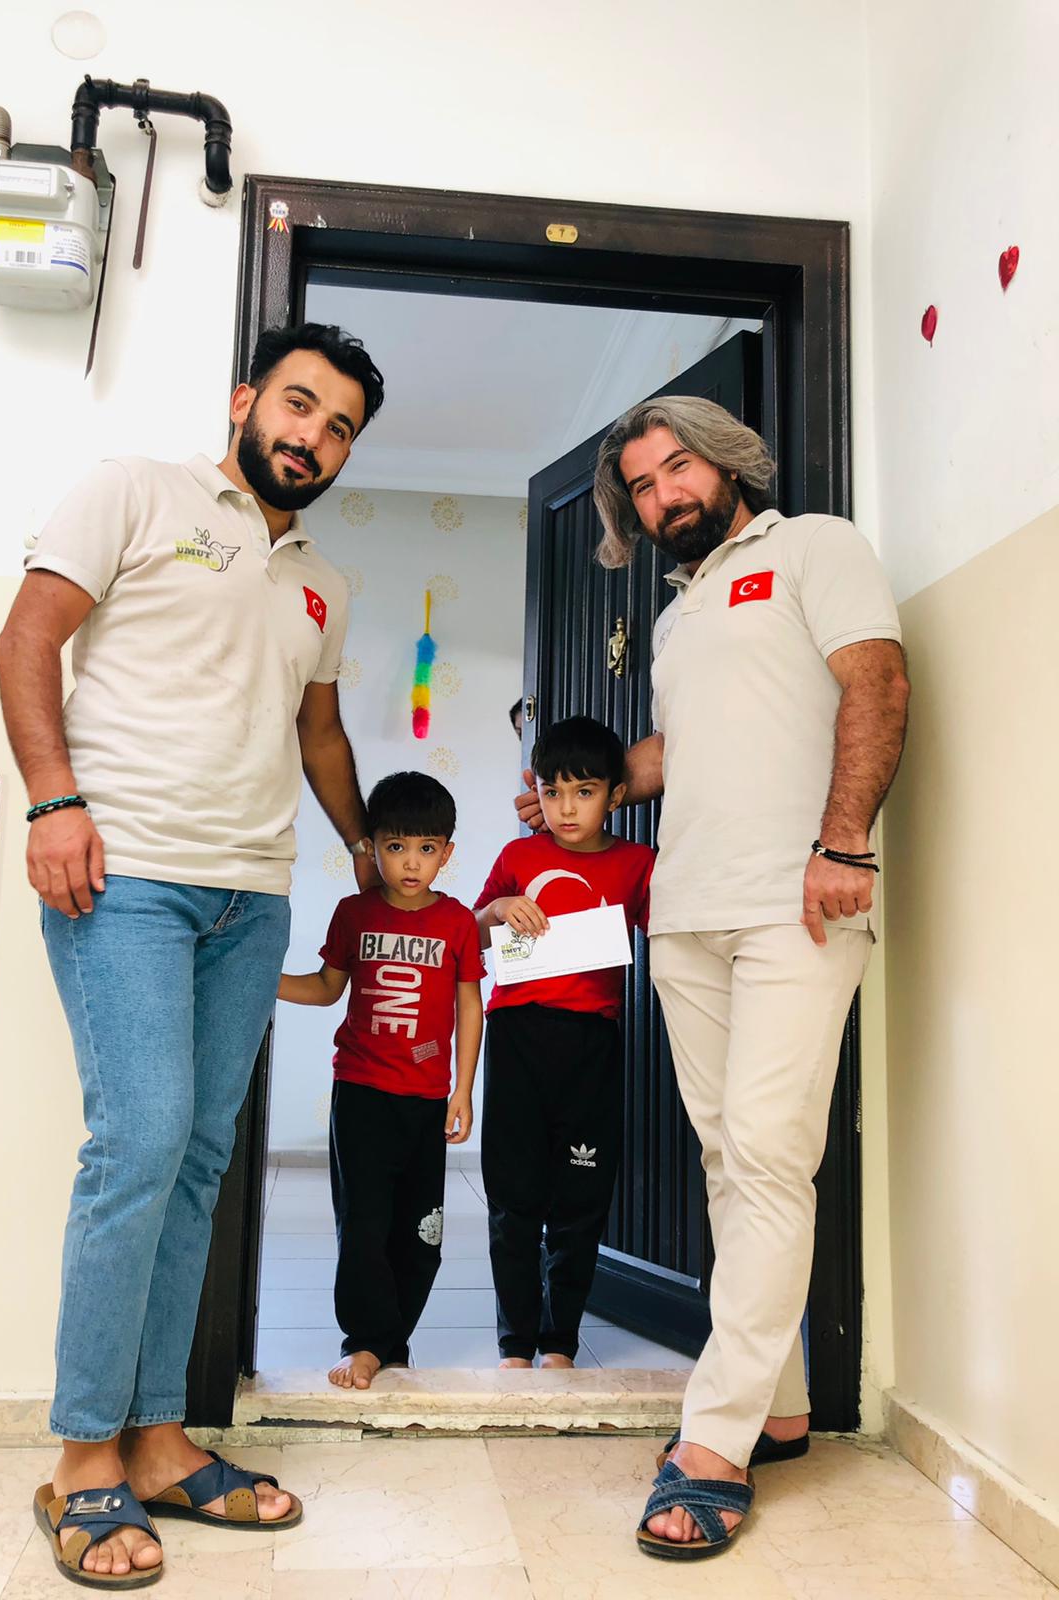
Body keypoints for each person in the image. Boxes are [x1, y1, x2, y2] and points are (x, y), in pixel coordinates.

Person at [0, 322, 385, 1588]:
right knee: (140, 1143)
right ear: (244, 400)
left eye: (339, 427)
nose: (312, 436)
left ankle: (159, 1441)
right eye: (299, 405)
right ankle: (81, 1457)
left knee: (199, 1161)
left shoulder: (324, 585)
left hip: (250, 900)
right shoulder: (136, 492)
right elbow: (26, 639)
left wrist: (362, 845)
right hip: (126, 878)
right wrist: (55, 802)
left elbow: (319, 732)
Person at [517, 397, 909, 1562]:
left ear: (727, 462)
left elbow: (877, 684)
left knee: (771, 1155)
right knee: (731, 1160)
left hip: (798, 900)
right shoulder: (678, 614)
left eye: (677, 467)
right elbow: (675, 751)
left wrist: (846, 841)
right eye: (641, 486)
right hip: (686, 916)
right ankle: (778, 1406)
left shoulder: (815, 548)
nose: (663, 495)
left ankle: (715, 1439)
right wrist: (581, 789)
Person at [278, 771, 484, 1390]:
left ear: (447, 852)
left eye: (426, 848)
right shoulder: (354, 913)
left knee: (423, 1233)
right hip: (362, 1095)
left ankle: (394, 1342)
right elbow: (326, 988)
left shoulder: (457, 923)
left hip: (427, 1100)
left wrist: (463, 1089)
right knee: (364, 1225)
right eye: (396, 847)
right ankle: (365, 1342)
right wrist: (258, 979)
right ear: (372, 847)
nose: (411, 863)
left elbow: (469, 1006)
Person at [475, 716, 654, 1369]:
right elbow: (469, 936)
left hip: (591, 1043)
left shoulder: (638, 864)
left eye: (584, 791)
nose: (566, 808)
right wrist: (498, 911)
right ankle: (515, 1342)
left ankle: (559, 1342)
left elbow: (674, 938)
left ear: (615, 795)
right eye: (552, 792)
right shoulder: (517, 858)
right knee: (513, 1195)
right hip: (516, 1035)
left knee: (581, 1196)